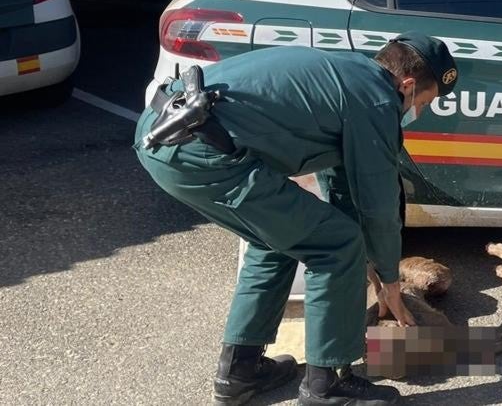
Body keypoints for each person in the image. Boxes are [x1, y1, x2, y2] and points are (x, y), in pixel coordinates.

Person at [133, 34, 458, 405]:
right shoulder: (377, 100)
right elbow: (379, 204)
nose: (418, 112)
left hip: (163, 135)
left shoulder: (348, 75)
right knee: (336, 245)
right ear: (409, 85)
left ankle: (239, 372)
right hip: (200, 149)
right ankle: (327, 385)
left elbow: (344, 186)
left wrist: (369, 262)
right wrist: (389, 281)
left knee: (277, 240)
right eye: (424, 102)